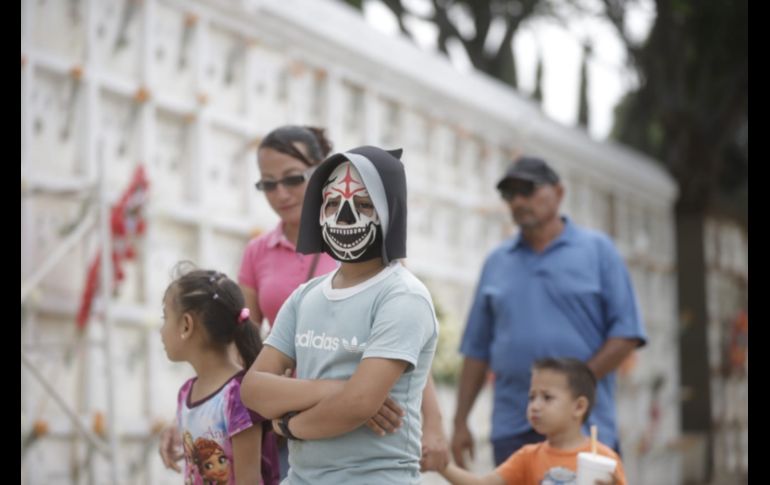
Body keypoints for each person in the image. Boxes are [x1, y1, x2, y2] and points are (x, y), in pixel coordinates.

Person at [241, 146, 439, 484]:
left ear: (390, 210)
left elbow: (358, 404)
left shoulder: (402, 296)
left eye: (363, 204)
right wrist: (335, 390)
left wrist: (287, 425)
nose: (344, 217)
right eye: (332, 204)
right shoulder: (305, 296)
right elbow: (253, 389)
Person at [452, 156, 647, 467]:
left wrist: (572, 385)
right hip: (513, 429)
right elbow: (476, 349)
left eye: (527, 190)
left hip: (583, 428)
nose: (518, 201)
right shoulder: (497, 262)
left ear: (558, 192)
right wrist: (460, 421)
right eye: (509, 194)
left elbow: (626, 333)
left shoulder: (598, 251)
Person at [160, 263, 279, 484]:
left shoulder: (239, 396)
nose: (162, 330)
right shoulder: (186, 393)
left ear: (186, 325)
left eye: (165, 317)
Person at [440, 358, 626, 485]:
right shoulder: (528, 457)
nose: (535, 406)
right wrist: (442, 466)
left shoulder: (606, 459)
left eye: (547, 397)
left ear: (579, 407)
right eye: (532, 397)